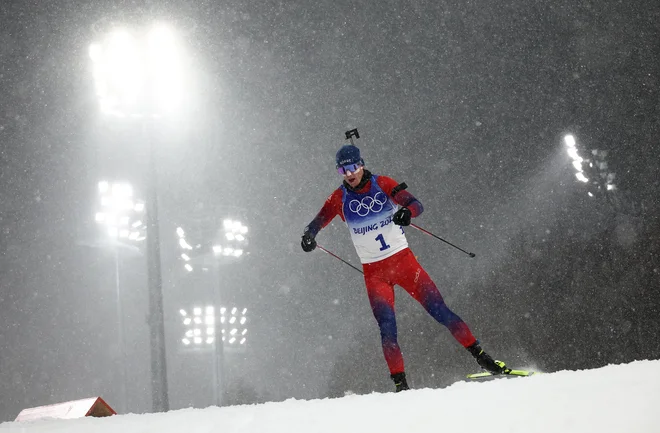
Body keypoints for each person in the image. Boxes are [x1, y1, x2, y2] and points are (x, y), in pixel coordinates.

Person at [301, 144, 508, 392]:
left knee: (441, 312)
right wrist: (309, 236)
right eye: (343, 170)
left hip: (404, 264)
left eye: (353, 167)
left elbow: (416, 204)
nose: (349, 174)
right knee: (387, 331)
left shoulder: (383, 183)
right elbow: (317, 222)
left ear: (362, 164)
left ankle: (484, 358)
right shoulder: (338, 198)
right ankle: (401, 387)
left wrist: (407, 212)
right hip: (375, 275)